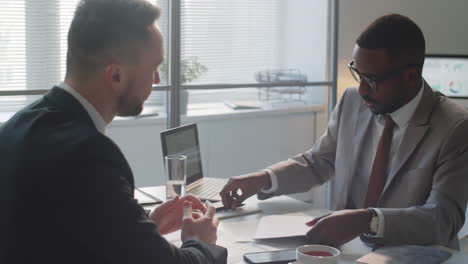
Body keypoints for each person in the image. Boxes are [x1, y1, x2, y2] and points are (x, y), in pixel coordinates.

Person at [0, 0, 227, 263]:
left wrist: (142, 225)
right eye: (154, 67)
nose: (156, 80)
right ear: (116, 75)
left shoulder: (18, 126)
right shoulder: (87, 154)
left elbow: (52, 234)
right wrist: (199, 242)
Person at [220, 14, 468, 250]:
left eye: (371, 80)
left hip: (410, 255)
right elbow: (319, 161)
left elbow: (442, 220)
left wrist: (369, 221)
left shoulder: (455, 128)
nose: (361, 90)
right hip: (345, 252)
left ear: (411, 77)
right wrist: (264, 178)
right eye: (357, 74)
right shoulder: (352, 101)